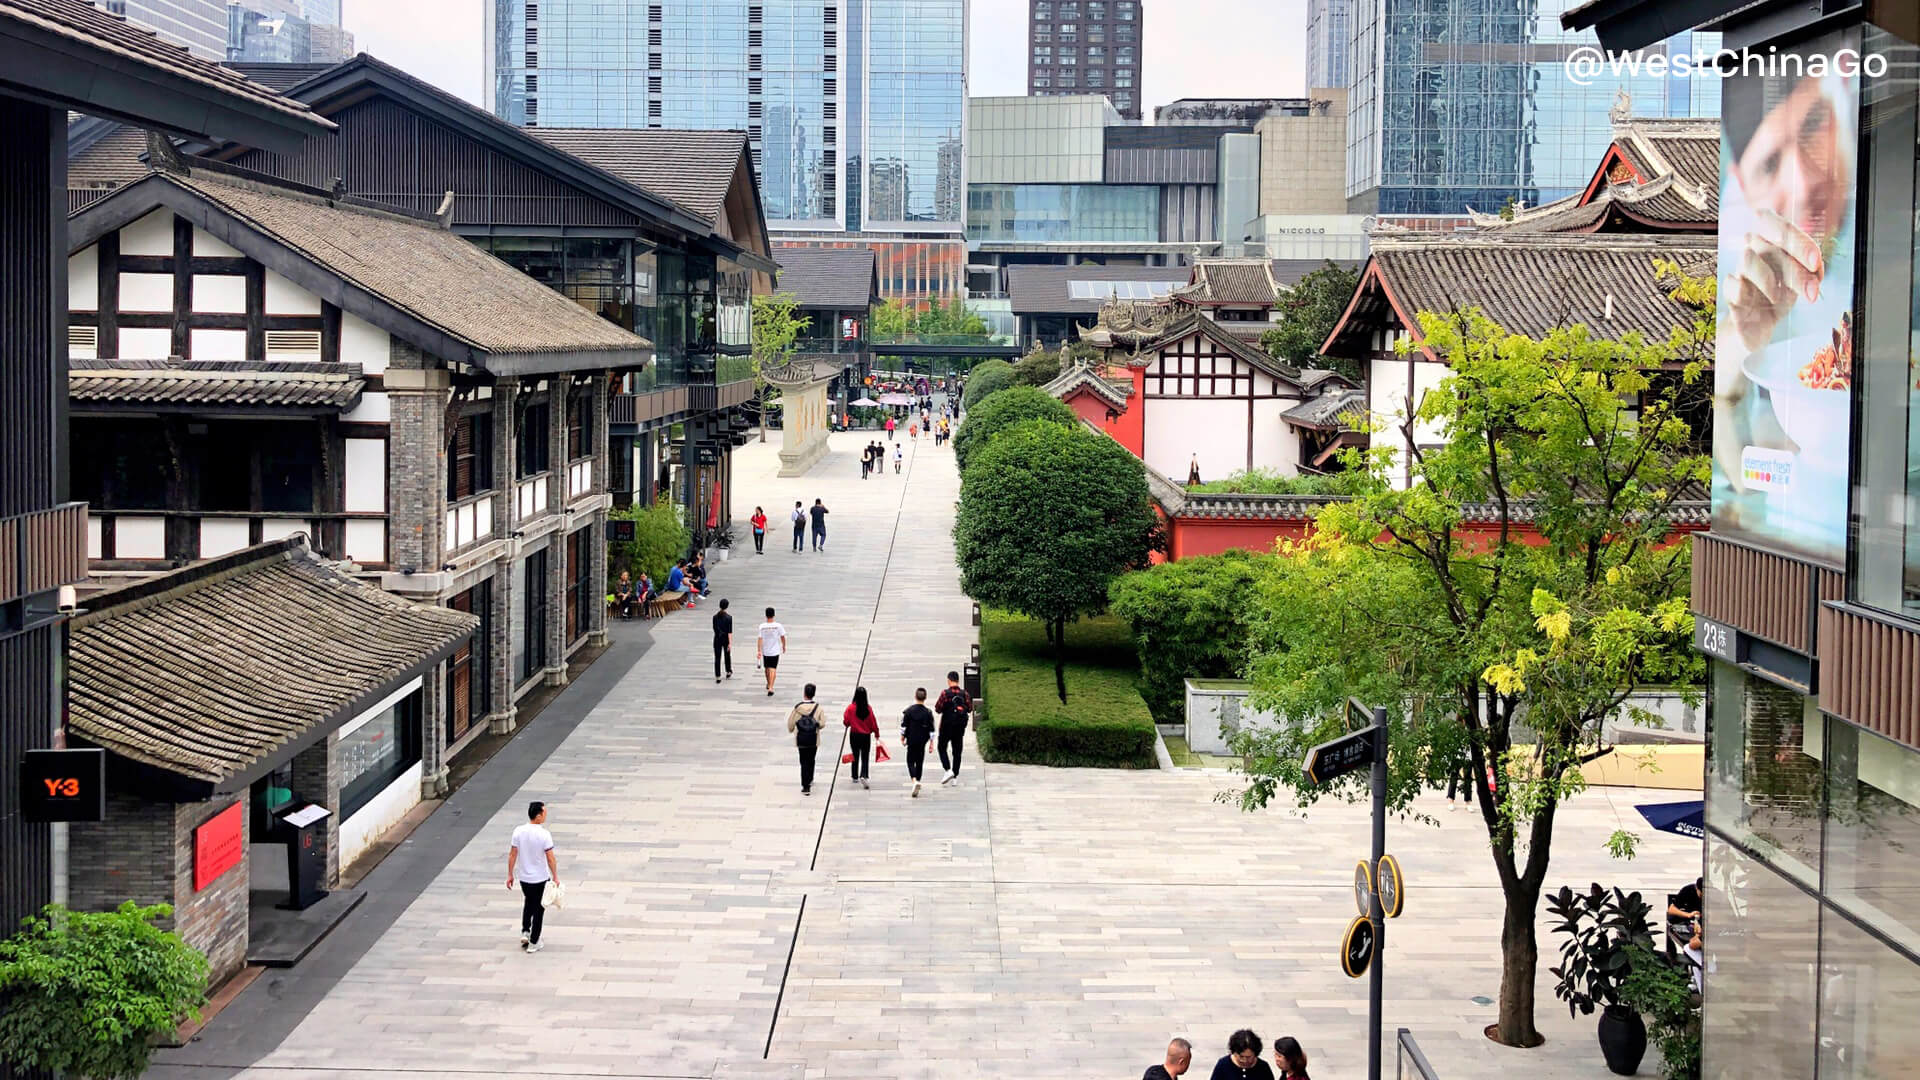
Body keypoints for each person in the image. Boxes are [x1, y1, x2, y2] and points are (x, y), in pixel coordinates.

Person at [506, 800, 558, 954]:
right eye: (544, 813)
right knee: (539, 909)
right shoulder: (544, 834)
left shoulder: (518, 831)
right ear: (538, 816)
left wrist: (510, 874)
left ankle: (525, 931)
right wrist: (555, 876)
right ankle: (534, 941)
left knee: (528, 902)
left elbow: (512, 854)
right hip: (540, 878)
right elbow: (550, 858)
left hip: (524, 878)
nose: (545, 815)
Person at [787, 683, 825, 795]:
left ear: (804, 693)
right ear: (814, 694)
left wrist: (792, 729)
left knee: (803, 761)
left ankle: (805, 786)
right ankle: (810, 778)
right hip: (814, 739)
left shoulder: (797, 708)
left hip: (801, 739)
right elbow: (822, 723)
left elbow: (790, 725)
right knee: (811, 759)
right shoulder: (818, 708)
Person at [934, 671, 972, 785]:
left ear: (949, 680)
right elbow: (969, 708)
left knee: (941, 747)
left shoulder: (945, 693)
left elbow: (938, 708)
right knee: (957, 751)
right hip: (959, 727)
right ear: (958, 681)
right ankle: (955, 776)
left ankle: (948, 769)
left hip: (946, 726)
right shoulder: (964, 693)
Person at [900, 688, 936, 797]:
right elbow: (932, 730)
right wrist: (931, 743)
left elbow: (904, 726)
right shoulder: (928, 713)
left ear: (915, 697)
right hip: (922, 740)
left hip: (911, 739)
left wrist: (902, 737)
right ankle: (918, 780)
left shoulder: (909, 711)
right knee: (920, 761)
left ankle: (914, 780)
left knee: (910, 761)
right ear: (925, 698)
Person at [844, 687, 881, 789]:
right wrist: (877, 734)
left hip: (854, 735)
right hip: (865, 736)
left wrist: (848, 723)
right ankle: (864, 774)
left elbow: (846, 721)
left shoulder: (850, 708)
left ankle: (854, 775)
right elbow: (873, 723)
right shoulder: (868, 709)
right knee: (865, 756)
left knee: (855, 754)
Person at [1209, 1030, 1274, 1080]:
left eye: (1248, 1057)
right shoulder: (1223, 1065)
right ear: (1234, 1052)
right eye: (1241, 1056)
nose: (1244, 1060)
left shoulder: (1263, 1067)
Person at [756, 607, 787, 696]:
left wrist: (759, 650)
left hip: (765, 651)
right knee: (773, 668)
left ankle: (769, 683)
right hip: (775, 651)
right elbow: (782, 637)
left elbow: (760, 639)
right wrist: (784, 646)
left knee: (767, 668)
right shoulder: (778, 626)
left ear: (766, 615)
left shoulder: (762, 626)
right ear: (774, 615)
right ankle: (771, 687)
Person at [711, 598, 734, 683]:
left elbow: (714, 628)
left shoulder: (715, 617)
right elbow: (730, 632)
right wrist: (730, 643)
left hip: (717, 638)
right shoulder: (729, 618)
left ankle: (718, 676)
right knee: (727, 656)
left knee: (717, 657)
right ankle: (728, 671)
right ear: (727, 606)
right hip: (725, 639)